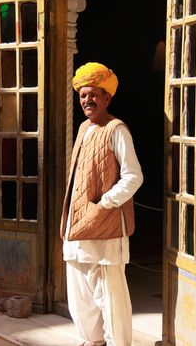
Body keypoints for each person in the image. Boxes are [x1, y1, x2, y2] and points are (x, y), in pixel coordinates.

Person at [60, 62, 143, 346]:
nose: (87, 100)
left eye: (94, 94)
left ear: (107, 97)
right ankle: (93, 341)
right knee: (80, 294)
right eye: (83, 95)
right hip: (78, 227)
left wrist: (105, 203)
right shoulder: (84, 128)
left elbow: (133, 176)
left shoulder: (116, 129)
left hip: (105, 226)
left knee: (110, 295)